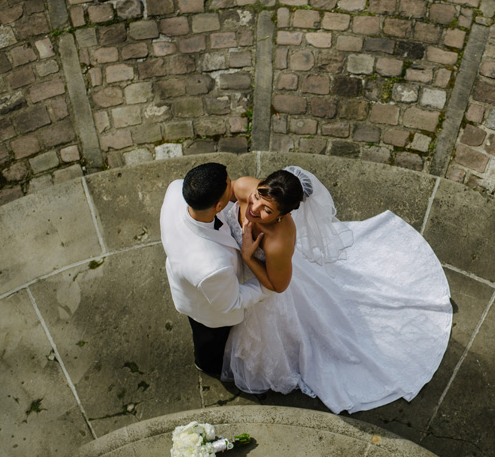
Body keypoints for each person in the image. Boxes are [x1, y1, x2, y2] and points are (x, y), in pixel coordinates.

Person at [221, 166, 453, 414]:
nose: (255, 209)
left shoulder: (278, 241)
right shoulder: (247, 186)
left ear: (284, 214)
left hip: (268, 282)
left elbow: (279, 286)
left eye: (267, 210)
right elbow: (229, 194)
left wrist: (249, 257)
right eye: (257, 198)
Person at [160, 162, 267, 376]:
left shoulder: (175, 189)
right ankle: (207, 366)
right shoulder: (210, 266)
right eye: (229, 184)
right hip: (206, 308)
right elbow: (232, 301)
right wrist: (270, 283)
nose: (233, 185)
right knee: (209, 343)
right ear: (218, 206)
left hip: (188, 275)